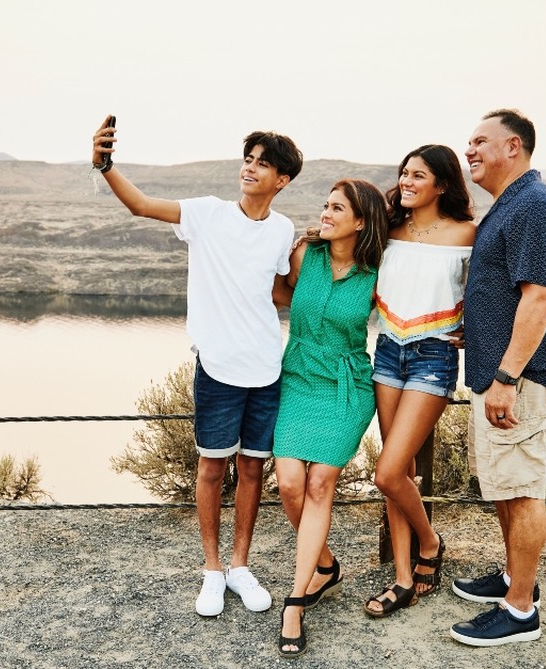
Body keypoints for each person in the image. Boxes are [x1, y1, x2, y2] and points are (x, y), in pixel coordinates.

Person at [90, 114, 303, 618]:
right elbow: (141, 205)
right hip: (219, 369)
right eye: (247, 160)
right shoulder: (208, 214)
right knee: (212, 468)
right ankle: (211, 571)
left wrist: (309, 249)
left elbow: (278, 292)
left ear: (283, 180)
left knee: (253, 469)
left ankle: (240, 566)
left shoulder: (282, 229)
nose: (250, 169)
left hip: (266, 368)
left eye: (263, 164)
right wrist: (105, 166)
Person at [448, 109, 546, 647]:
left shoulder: (536, 208)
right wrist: (475, 330)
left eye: (481, 141)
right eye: (468, 143)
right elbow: (507, 293)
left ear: (515, 147)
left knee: (523, 490)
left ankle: (521, 610)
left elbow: (540, 299)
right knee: (506, 486)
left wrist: (505, 375)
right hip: (503, 374)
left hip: (522, 380)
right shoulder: (513, 205)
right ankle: (511, 578)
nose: (470, 151)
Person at [272, 179, 389, 657]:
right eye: (325, 205)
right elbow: (279, 294)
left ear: (360, 221)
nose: (325, 213)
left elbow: (407, 316)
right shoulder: (305, 256)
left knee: (321, 483)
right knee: (290, 486)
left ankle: (295, 603)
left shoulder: (377, 273)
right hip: (297, 377)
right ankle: (324, 565)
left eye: (336, 207)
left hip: (346, 385)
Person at [363, 145, 475, 618]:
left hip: (434, 356)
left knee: (387, 471)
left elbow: (492, 291)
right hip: (387, 350)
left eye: (418, 175)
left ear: (443, 185)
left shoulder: (468, 233)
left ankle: (430, 543)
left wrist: (477, 327)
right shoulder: (387, 230)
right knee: (399, 474)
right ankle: (404, 579)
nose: (406, 182)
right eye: (404, 173)